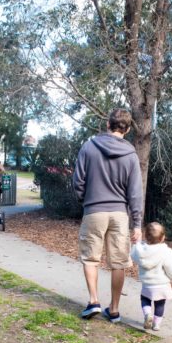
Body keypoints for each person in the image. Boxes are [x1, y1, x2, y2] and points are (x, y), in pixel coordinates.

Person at [73, 108, 143, 323]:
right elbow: (135, 192)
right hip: (120, 215)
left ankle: (94, 301)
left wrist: (84, 200)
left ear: (107, 124)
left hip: (94, 211)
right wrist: (137, 224)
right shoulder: (131, 155)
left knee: (90, 259)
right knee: (119, 263)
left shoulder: (89, 147)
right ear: (128, 129)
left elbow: (77, 182)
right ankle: (113, 309)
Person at [131, 222, 172, 331]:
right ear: (163, 238)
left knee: (145, 299)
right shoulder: (165, 251)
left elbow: (133, 253)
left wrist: (137, 243)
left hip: (147, 285)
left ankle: (147, 314)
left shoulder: (140, 251)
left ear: (146, 237)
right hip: (162, 285)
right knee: (160, 304)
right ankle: (156, 325)